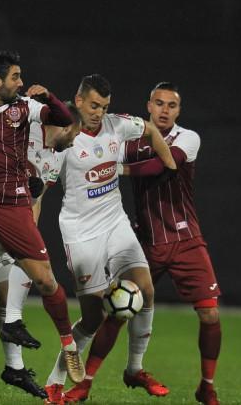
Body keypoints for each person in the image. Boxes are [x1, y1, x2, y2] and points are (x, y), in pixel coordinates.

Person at [63, 82, 223, 405]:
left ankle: (206, 387)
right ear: (147, 106)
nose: (165, 110)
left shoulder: (187, 138)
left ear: (179, 111)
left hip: (186, 240)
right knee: (119, 309)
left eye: (172, 105)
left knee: (209, 316)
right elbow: (98, 155)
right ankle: (89, 383)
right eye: (159, 103)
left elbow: (164, 165)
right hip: (146, 241)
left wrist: (116, 169)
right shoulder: (127, 141)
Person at [43, 74, 177, 404]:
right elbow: (41, 191)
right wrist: (28, 237)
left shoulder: (117, 125)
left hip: (115, 222)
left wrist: (169, 164)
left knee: (145, 290)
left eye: (104, 106)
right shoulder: (64, 138)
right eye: (93, 105)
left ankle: (134, 369)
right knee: (93, 318)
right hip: (80, 233)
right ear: (78, 101)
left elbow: (149, 129)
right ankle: (54, 382)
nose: (99, 113)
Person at [0, 51, 86, 386]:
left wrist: (26, 233)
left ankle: (18, 366)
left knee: (32, 280)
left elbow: (36, 201)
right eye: (75, 132)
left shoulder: (54, 156)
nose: (75, 140)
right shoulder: (17, 120)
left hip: (10, 212)